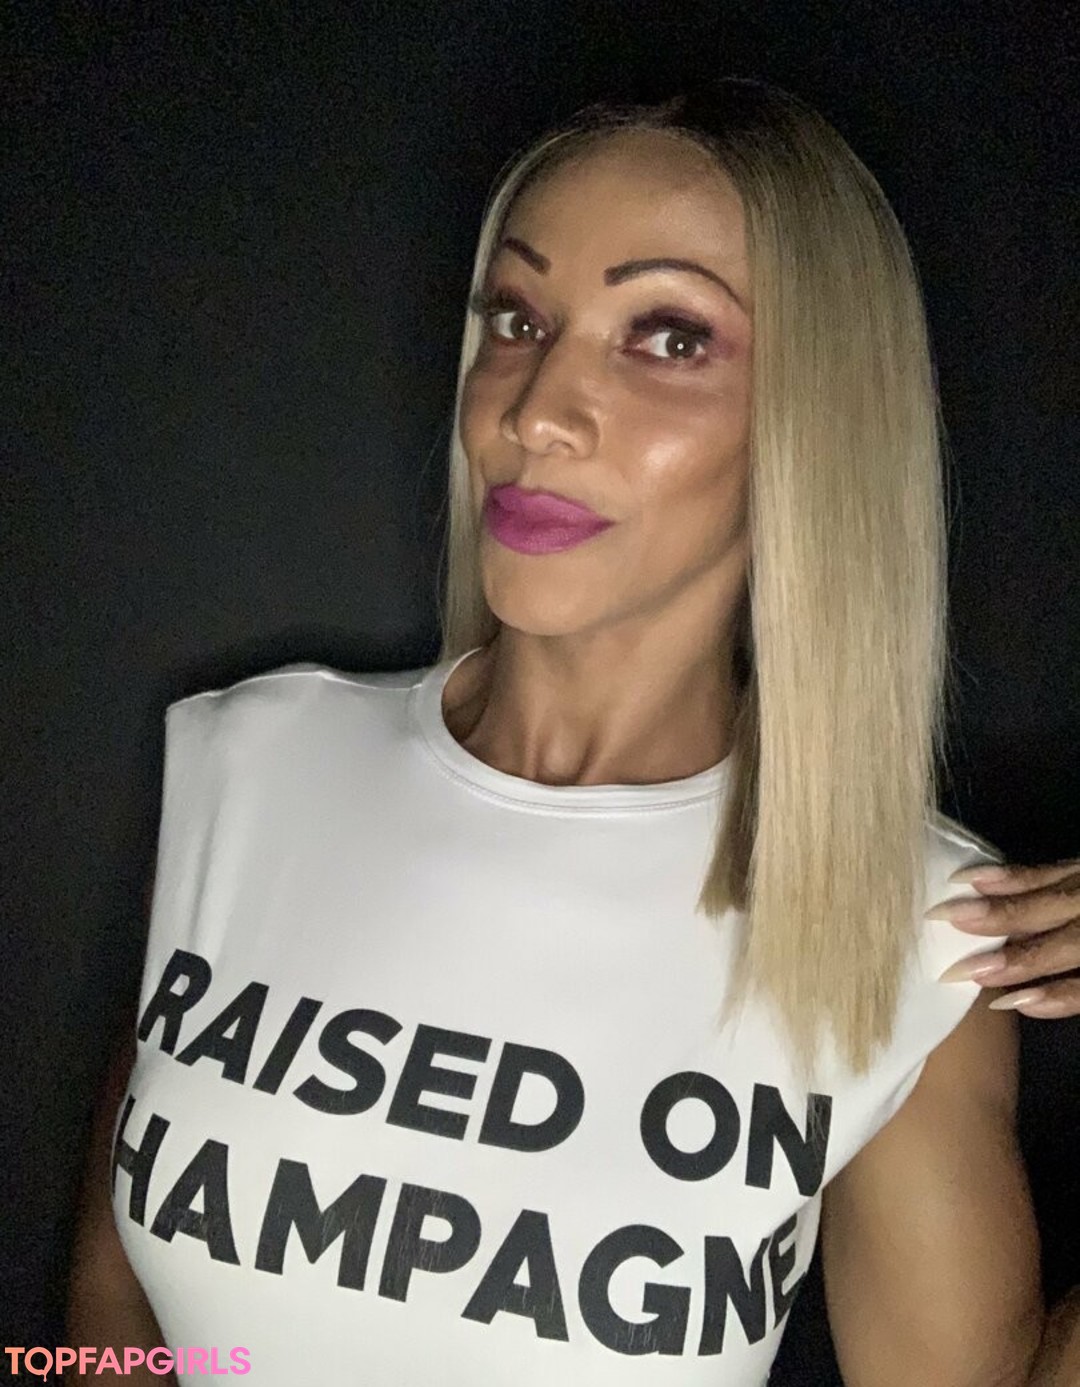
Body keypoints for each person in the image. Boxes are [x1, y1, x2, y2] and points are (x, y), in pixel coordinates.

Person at [67, 79, 1080, 1386]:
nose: (533, 411)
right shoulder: (252, 763)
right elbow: (106, 1300)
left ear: (817, 421)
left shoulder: (907, 931)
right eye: (518, 318)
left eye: (669, 338)